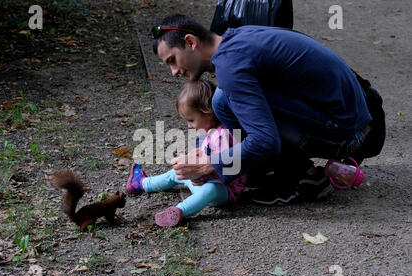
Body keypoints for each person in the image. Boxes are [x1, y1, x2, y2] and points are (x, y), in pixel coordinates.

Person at [151, 14, 384, 205]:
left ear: (191, 42)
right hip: (355, 118)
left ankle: (303, 179)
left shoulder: (230, 66)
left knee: (225, 99)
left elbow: (265, 141)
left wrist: (208, 164)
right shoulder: (237, 39)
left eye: (172, 60)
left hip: (350, 134)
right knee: (222, 101)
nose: (173, 72)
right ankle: (262, 168)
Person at [126, 80, 247, 227]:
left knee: (211, 190)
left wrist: (199, 175)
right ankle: (142, 183)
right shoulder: (207, 133)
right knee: (176, 173)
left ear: (208, 113)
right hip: (202, 180)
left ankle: (178, 211)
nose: (189, 126)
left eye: (191, 120)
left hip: (224, 190)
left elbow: (226, 169)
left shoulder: (223, 135)